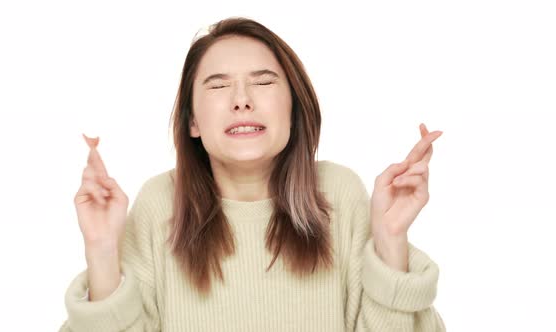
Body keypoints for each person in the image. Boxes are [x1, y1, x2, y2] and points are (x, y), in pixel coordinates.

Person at [59, 17, 446, 332]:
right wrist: (102, 250)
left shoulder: (338, 195)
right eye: (219, 85)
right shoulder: (160, 203)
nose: (242, 99)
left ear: (293, 108)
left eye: (263, 82)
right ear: (192, 120)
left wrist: (392, 239)